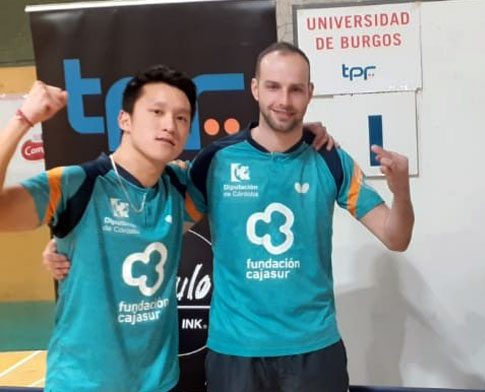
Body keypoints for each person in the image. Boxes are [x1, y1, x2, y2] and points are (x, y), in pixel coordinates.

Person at [183, 41, 415, 392]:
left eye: (295, 89)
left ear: (310, 93)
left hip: (314, 351)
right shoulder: (216, 160)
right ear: (255, 88)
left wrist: (401, 193)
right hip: (235, 352)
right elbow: (165, 231)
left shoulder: (330, 159)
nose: (284, 101)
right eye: (273, 87)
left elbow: (396, 237)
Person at [0, 66, 202, 391]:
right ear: (124, 120)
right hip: (82, 383)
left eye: (181, 118)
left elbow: (243, 160)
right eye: (156, 112)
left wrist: (293, 134)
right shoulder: (74, 185)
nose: (169, 125)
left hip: (159, 383)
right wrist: (22, 119)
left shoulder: (182, 187)